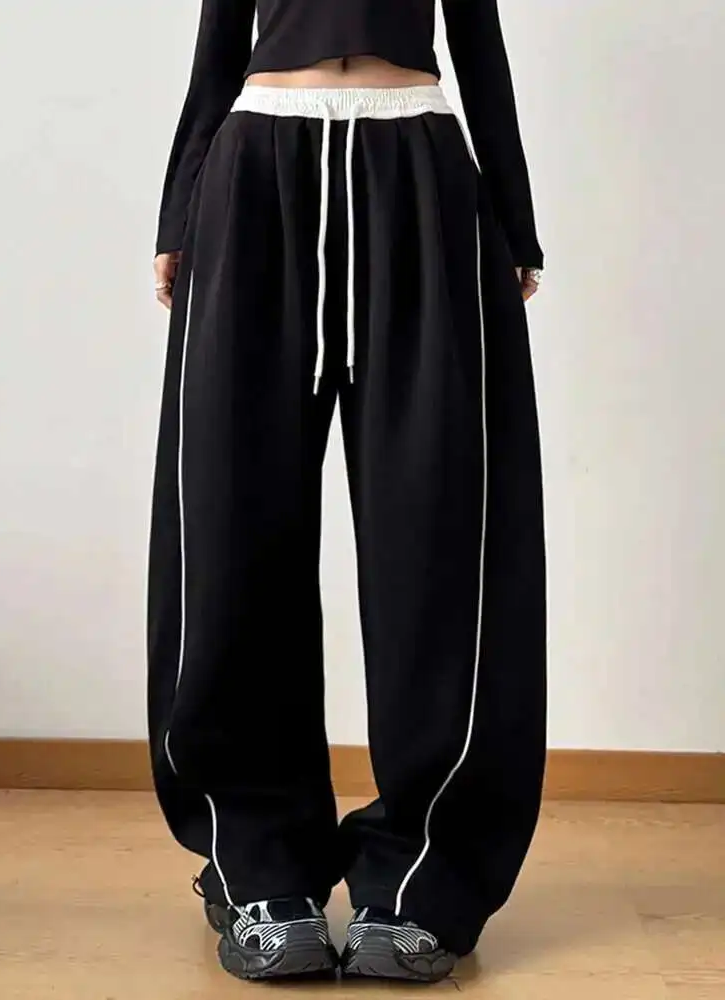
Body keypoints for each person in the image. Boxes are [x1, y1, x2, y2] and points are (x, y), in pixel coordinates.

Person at [148, 0, 546, 984]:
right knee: (231, 529)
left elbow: (478, 37)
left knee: (442, 534)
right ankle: (258, 863)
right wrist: (179, 206)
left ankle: (425, 873)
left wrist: (513, 216)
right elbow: (218, 43)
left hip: (419, 175)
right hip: (256, 174)